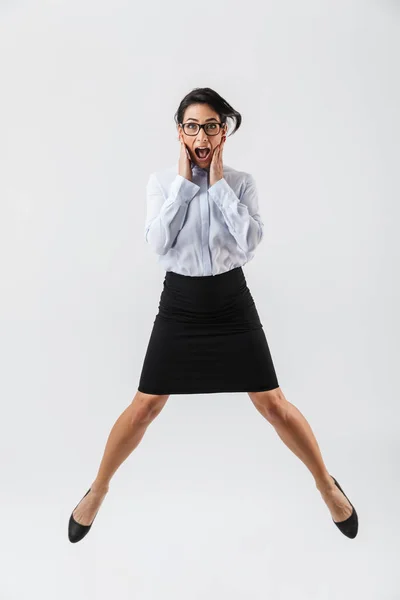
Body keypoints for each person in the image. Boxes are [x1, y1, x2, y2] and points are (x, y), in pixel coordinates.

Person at [68, 87, 358, 543]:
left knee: (273, 405)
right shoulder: (161, 184)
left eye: (211, 126)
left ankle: (326, 484)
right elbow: (159, 244)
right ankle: (98, 489)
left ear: (224, 131)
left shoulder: (242, 184)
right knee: (145, 406)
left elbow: (248, 244)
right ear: (179, 133)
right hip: (180, 306)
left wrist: (219, 184)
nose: (201, 136)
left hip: (230, 304)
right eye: (192, 126)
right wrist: (185, 187)